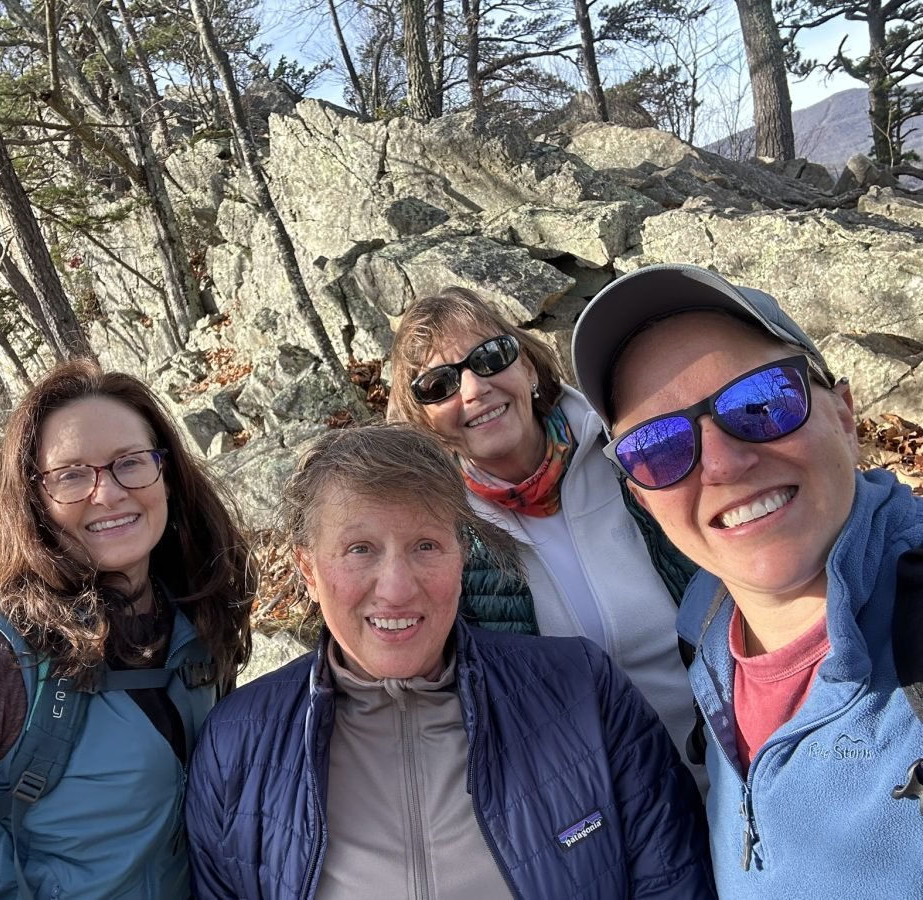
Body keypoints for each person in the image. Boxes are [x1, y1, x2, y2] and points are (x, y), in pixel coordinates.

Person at [185, 424, 714, 899]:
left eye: (426, 546)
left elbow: (672, 878)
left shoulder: (582, 689)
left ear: (462, 556)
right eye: (360, 549)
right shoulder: (238, 745)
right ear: (308, 568)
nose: (395, 589)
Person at [0, 360, 254, 899]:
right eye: (71, 475)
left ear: (165, 473)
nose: (107, 494)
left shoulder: (196, 618)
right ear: (35, 502)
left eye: (130, 462)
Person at [569, 262, 923, 897]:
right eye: (659, 447)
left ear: (843, 414)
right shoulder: (705, 625)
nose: (724, 464)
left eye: (761, 402)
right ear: (643, 499)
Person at [388, 286, 701, 778]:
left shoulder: (630, 453)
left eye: (490, 357)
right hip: (593, 810)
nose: (473, 389)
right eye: (439, 385)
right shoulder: (439, 532)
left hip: (729, 762)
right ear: (424, 419)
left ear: (528, 368)